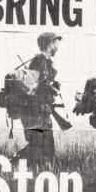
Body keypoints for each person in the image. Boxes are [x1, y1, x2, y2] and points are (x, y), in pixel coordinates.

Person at [17, 32, 62, 169]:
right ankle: (15, 162)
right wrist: (48, 87)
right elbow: (32, 88)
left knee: (46, 147)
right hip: (34, 112)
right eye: (56, 42)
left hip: (43, 112)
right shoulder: (38, 62)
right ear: (50, 44)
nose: (58, 46)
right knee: (37, 146)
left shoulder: (47, 63)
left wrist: (52, 87)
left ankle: (22, 164)